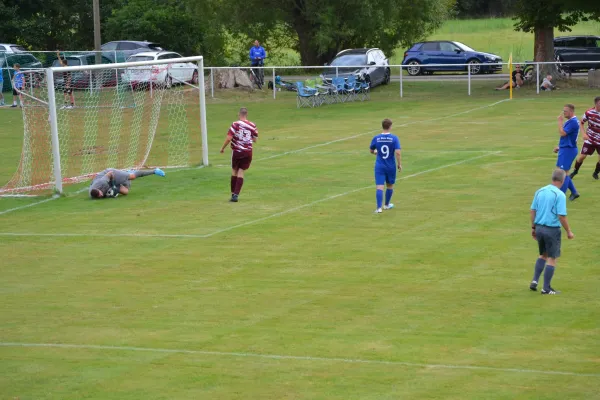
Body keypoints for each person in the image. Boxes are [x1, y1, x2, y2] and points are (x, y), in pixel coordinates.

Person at [529, 169, 574, 295]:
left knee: (542, 254)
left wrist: (533, 228)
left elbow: (532, 210)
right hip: (551, 230)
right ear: (563, 180)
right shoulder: (559, 195)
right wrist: (569, 231)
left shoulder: (540, 191)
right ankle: (546, 288)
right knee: (552, 258)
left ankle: (534, 281)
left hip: (539, 228)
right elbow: (561, 216)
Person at [220, 107, 259, 202]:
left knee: (234, 171)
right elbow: (255, 139)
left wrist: (222, 148)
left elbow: (229, 138)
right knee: (241, 171)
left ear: (239, 114)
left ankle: (233, 194)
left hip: (237, 151)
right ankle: (236, 195)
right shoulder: (252, 125)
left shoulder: (235, 124)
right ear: (246, 114)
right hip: (248, 151)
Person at [369, 118, 402, 213]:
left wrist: (376, 153)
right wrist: (399, 164)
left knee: (379, 186)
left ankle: (379, 208)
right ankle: (386, 205)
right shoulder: (394, 138)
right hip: (390, 165)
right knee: (390, 186)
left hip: (379, 166)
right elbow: (398, 152)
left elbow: (371, 150)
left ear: (382, 126)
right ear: (390, 127)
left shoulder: (376, 138)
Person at [553, 104, 580, 201]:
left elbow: (562, 133)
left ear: (571, 112)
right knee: (563, 172)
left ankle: (561, 196)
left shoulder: (573, 122)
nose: (563, 113)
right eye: (563, 110)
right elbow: (568, 137)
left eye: (565, 111)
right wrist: (560, 147)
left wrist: (560, 122)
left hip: (569, 150)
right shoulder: (571, 121)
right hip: (566, 149)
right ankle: (574, 192)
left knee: (563, 173)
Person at [570, 96, 600, 180]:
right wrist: (584, 134)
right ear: (596, 104)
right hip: (590, 138)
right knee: (582, 156)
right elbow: (581, 122)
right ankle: (575, 171)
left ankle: (596, 172)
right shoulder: (589, 112)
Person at [89, 167, 165, 199]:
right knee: (126, 192)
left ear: (98, 189)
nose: (101, 195)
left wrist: (114, 186)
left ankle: (154, 171)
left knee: (132, 177)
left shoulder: (102, 182)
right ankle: (127, 173)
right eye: (100, 196)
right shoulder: (92, 194)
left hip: (111, 174)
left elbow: (110, 173)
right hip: (108, 184)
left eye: (100, 194)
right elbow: (92, 182)